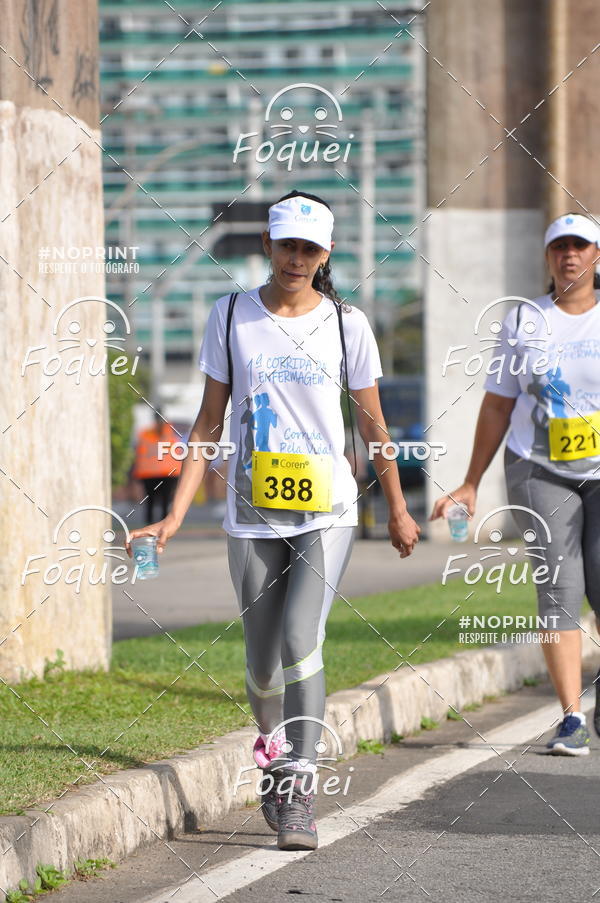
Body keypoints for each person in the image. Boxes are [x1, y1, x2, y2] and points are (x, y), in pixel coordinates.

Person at [127, 190, 420, 850]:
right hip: (252, 515)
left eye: (310, 248)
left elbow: (374, 426)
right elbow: (207, 425)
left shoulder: (349, 324)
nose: (297, 258)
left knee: (298, 635)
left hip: (329, 511)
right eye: (287, 244)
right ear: (267, 243)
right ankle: (272, 750)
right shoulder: (231, 315)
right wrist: (173, 515)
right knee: (261, 667)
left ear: (327, 254)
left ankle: (298, 788)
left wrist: (398, 507)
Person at [431, 212, 600, 756]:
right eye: (560, 247)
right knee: (559, 592)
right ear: (548, 257)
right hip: (538, 469)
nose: (569, 255)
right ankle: (572, 718)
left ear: (597, 255)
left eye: (581, 246)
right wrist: (470, 482)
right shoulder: (524, 321)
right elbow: (499, 403)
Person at [131, 409, 182, 522]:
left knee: (153, 502)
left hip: (151, 474)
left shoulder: (145, 434)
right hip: (164, 473)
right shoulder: (170, 432)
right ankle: (162, 526)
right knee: (164, 502)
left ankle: (152, 527)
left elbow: (138, 454)